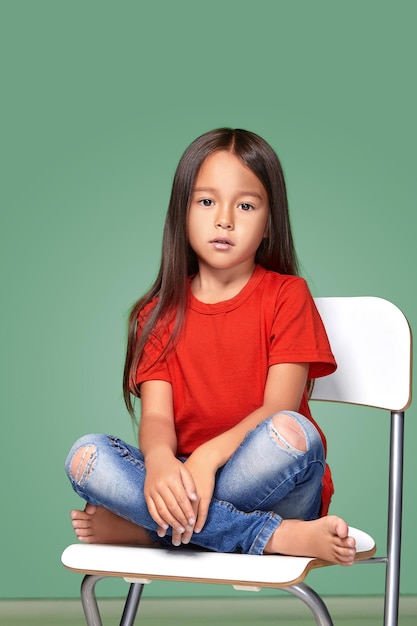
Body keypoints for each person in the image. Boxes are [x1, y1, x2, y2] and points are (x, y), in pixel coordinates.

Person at [65, 128, 356, 564]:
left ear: (269, 221)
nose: (225, 219)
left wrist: (204, 458)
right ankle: (272, 537)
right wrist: (161, 461)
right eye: (206, 201)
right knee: (86, 457)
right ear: (181, 213)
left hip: (272, 486)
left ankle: (148, 529)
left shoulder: (287, 295)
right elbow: (157, 416)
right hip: (187, 486)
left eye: (245, 205)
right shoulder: (156, 314)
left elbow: (281, 408)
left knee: (294, 436)